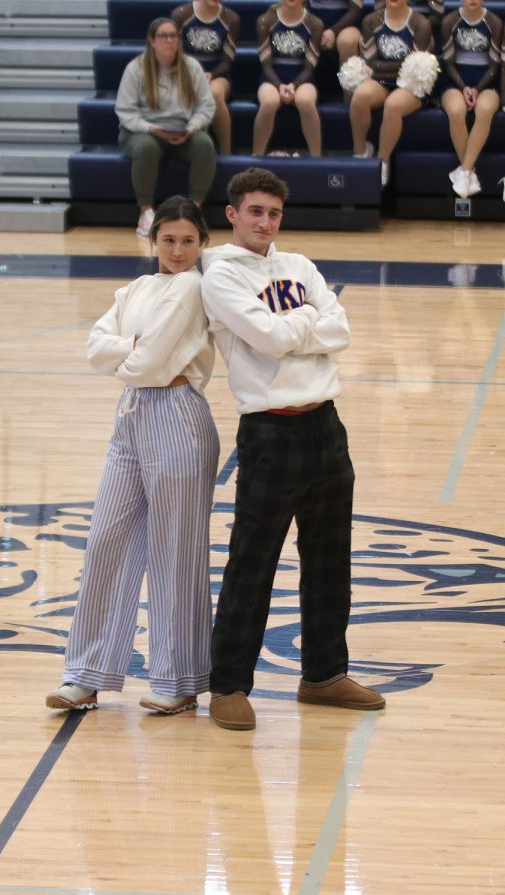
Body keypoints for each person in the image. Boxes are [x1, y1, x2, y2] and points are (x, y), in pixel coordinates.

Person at [200, 167, 385, 731]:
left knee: (330, 560)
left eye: (274, 213)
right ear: (232, 213)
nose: (265, 222)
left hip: (326, 425)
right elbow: (274, 338)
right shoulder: (220, 276)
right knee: (251, 565)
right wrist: (308, 321)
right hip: (269, 433)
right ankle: (228, 684)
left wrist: (294, 327)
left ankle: (324, 675)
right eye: (254, 211)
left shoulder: (299, 266)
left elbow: (341, 330)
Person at [46, 196, 220, 715]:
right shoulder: (136, 289)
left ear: (202, 242)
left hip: (180, 415)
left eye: (189, 240)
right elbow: (97, 347)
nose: (179, 249)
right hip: (131, 415)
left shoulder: (195, 287)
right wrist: (135, 352)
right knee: (106, 538)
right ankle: (86, 673)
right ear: (153, 241)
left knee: (176, 550)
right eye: (169, 239)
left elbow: (143, 358)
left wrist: (132, 351)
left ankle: (179, 679)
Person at [115, 18, 217, 236]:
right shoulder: (136, 69)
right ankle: (146, 213)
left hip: (183, 131)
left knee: (205, 144)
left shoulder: (191, 67)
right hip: (144, 131)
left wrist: (191, 128)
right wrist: (152, 129)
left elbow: (206, 107)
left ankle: (193, 212)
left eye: (174, 36)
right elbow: (125, 111)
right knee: (146, 148)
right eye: (163, 36)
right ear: (152, 41)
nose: (169, 41)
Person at [349, 0, 433, 186]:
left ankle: (382, 161)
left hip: (412, 85)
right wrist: (385, 69)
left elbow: (415, 66)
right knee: (360, 97)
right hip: (382, 81)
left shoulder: (421, 23)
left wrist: (380, 68)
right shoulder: (370, 21)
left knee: (393, 105)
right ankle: (360, 152)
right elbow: (370, 62)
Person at [439, 0, 502, 199]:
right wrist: (464, 87)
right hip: (454, 82)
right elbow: (448, 64)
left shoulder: (495, 22)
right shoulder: (449, 21)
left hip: (486, 82)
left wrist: (477, 89)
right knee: (456, 110)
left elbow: (494, 66)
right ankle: (469, 174)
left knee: (484, 110)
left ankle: (465, 171)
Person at [252, 0, 323, 156]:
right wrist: (279, 86)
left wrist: (294, 85)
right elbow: (266, 65)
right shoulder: (265, 20)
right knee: (269, 102)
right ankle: (256, 156)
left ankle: (317, 159)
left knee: (305, 101)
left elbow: (309, 67)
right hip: (272, 78)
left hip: (303, 79)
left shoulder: (315, 23)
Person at [172, 0, 241, 153]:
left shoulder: (231, 18)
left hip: (218, 75)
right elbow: (175, 55)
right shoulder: (181, 14)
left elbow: (227, 61)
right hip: (185, 73)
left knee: (215, 93)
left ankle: (226, 152)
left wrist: (212, 74)